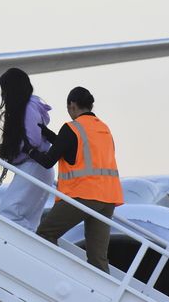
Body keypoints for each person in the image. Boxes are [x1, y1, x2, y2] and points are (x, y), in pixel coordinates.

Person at [27, 86, 123, 273]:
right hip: (108, 199)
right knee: (98, 258)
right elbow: (75, 148)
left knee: (46, 233)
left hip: (82, 195)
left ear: (72, 105)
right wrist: (49, 134)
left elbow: (48, 161)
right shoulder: (103, 128)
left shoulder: (72, 128)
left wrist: (29, 151)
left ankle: (58, 275)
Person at [0, 68, 55, 231]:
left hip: (34, 165)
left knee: (10, 212)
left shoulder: (27, 107)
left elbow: (32, 140)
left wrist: (6, 150)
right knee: (28, 220)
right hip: (37, 167)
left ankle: (28, 250)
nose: (3, 94)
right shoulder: (30, 106)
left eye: (4, 89)